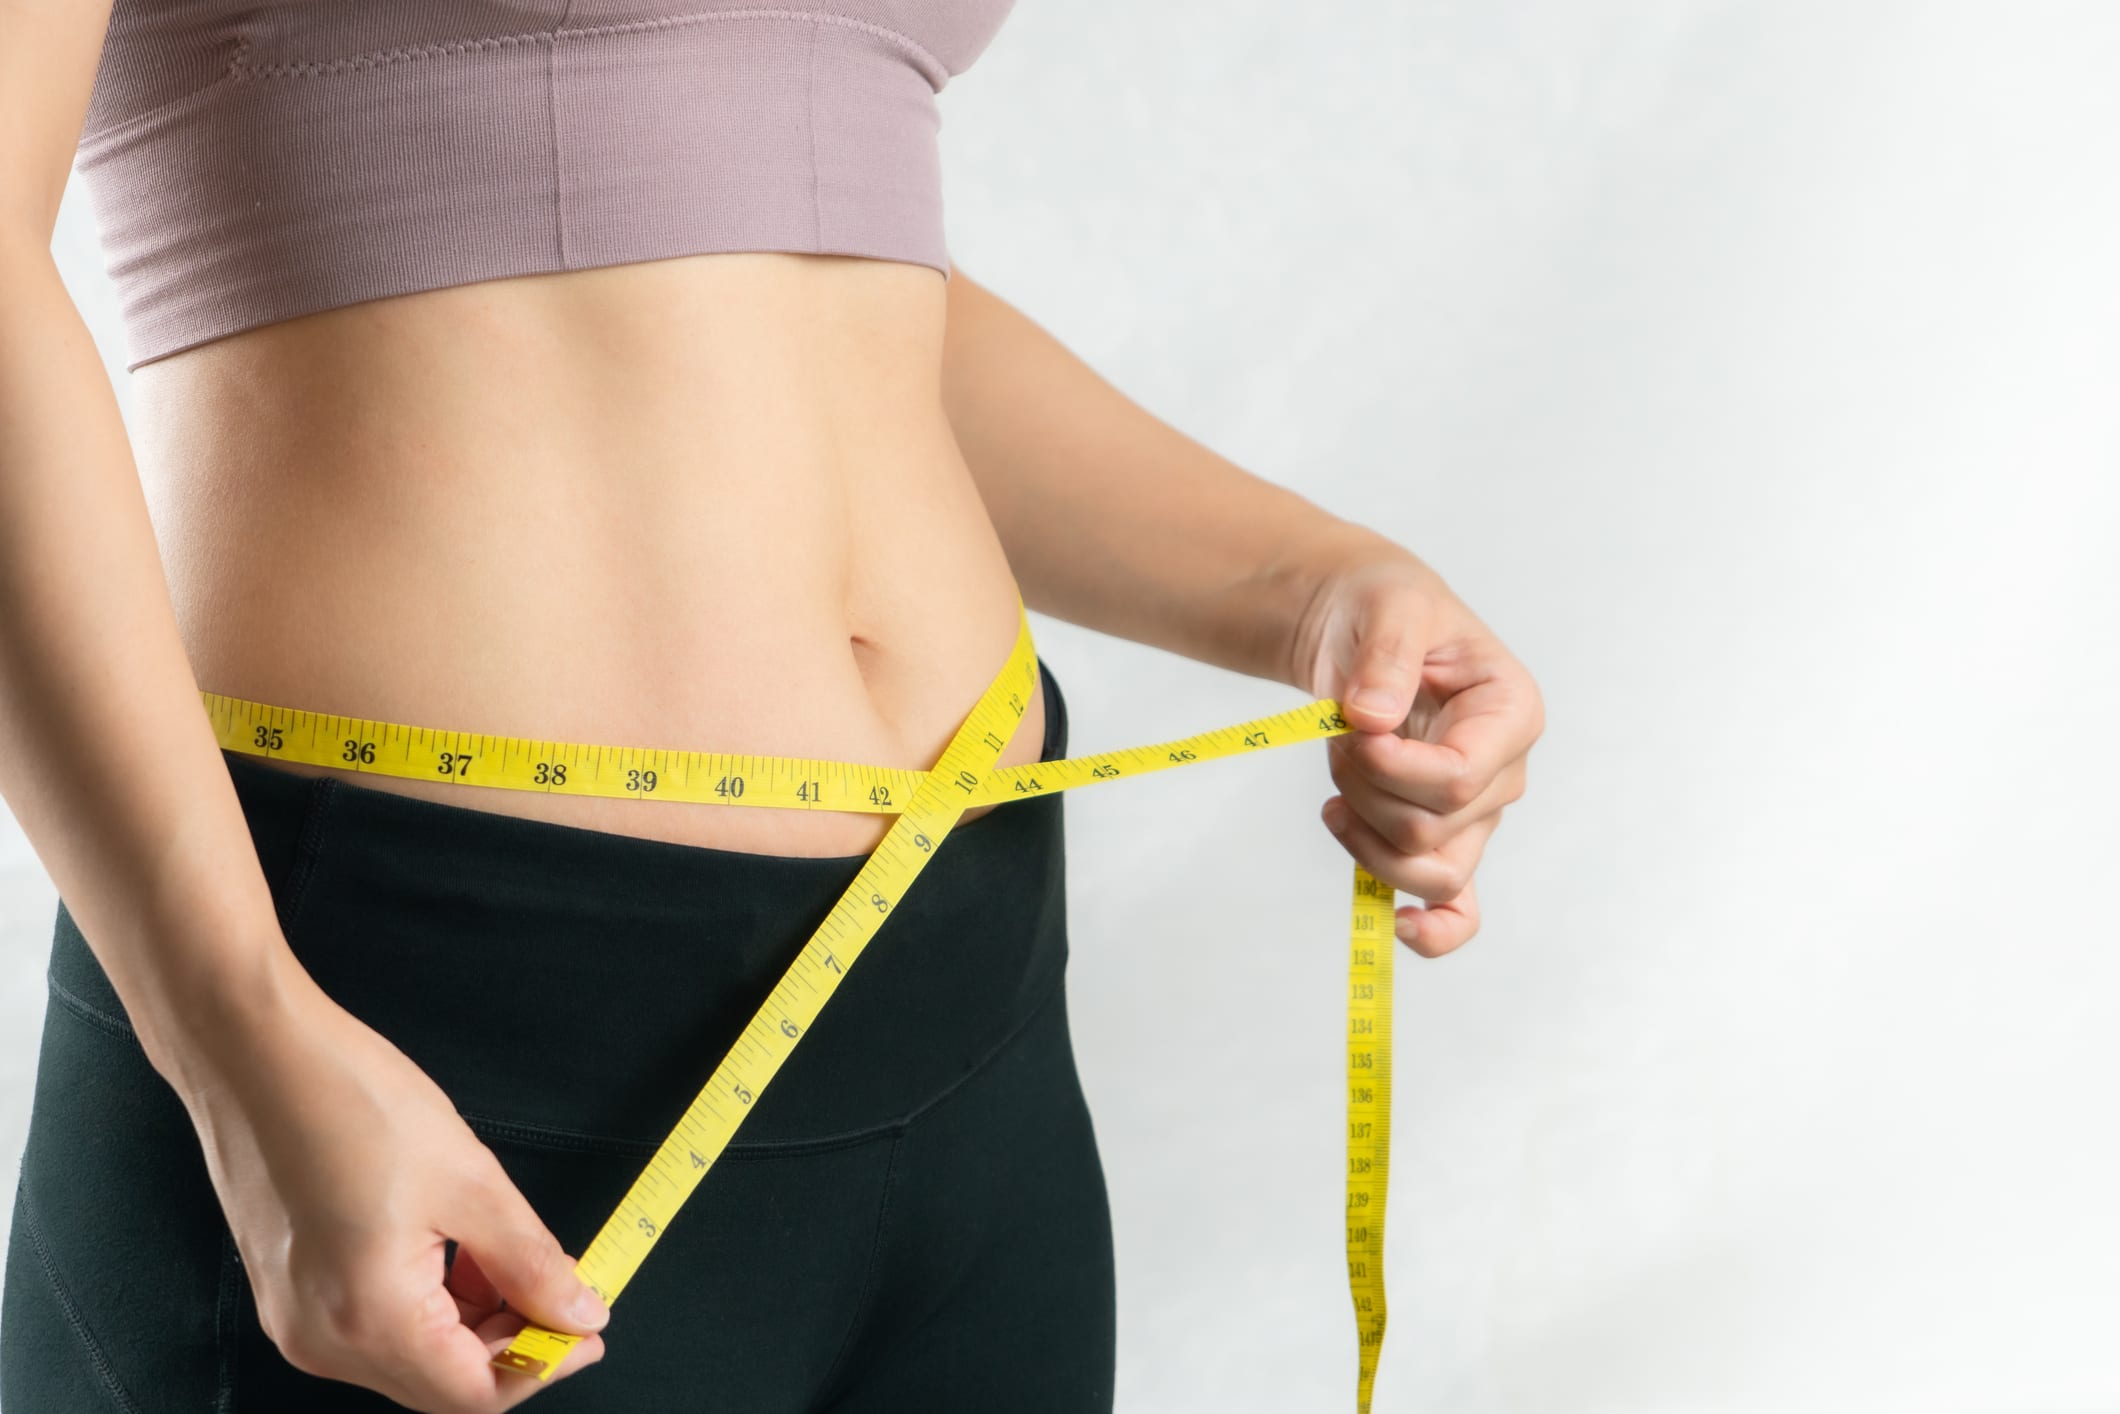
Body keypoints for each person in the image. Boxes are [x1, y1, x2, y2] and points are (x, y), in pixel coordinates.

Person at [0, 2, 1544, 1410]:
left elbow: (788, 256)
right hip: (405, 1027)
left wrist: (1314, 587)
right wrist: (236, 1032)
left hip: (970, 996)